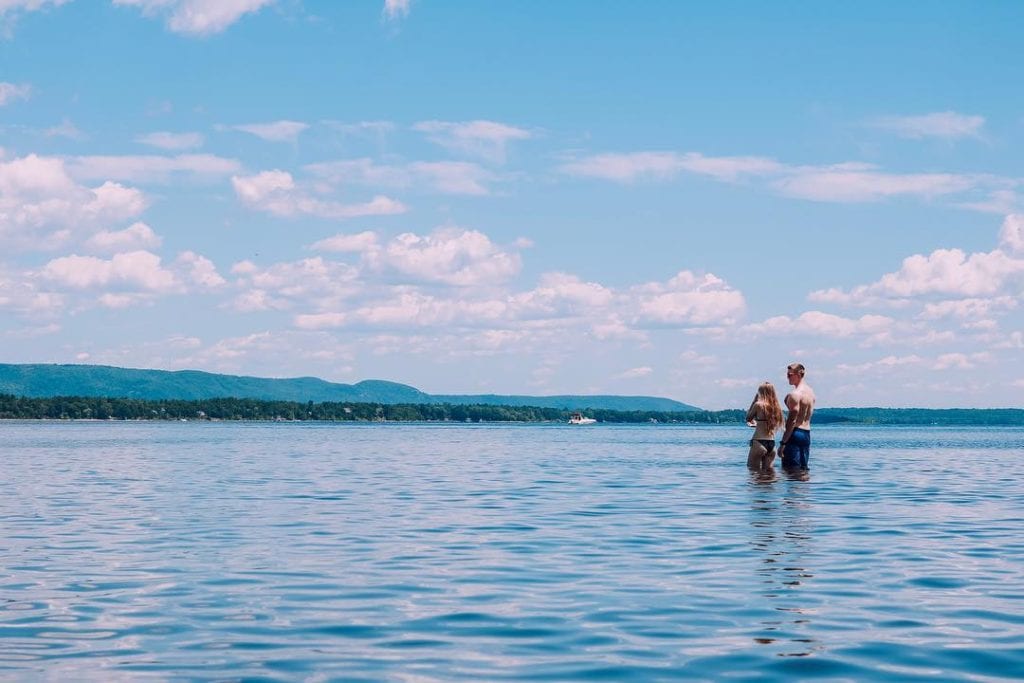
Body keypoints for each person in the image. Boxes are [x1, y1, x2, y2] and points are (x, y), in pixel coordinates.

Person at [780, 362, 815, 471]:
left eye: (790, 375)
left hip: (794, 433)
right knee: (803, 469)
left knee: (790, 471)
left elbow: (792, 420)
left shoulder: (794, 395)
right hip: (806, 434)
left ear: (798, 375)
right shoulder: (811, 393)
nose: (787, 377)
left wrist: (783, 443)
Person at [745, 382, 784, 471]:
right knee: (769, 477)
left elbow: (748, 418)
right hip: (771, 444)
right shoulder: (776, 407)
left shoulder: (758, 405)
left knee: (753, 472)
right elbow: (769, 423)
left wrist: (754, 401)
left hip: (759, 442)